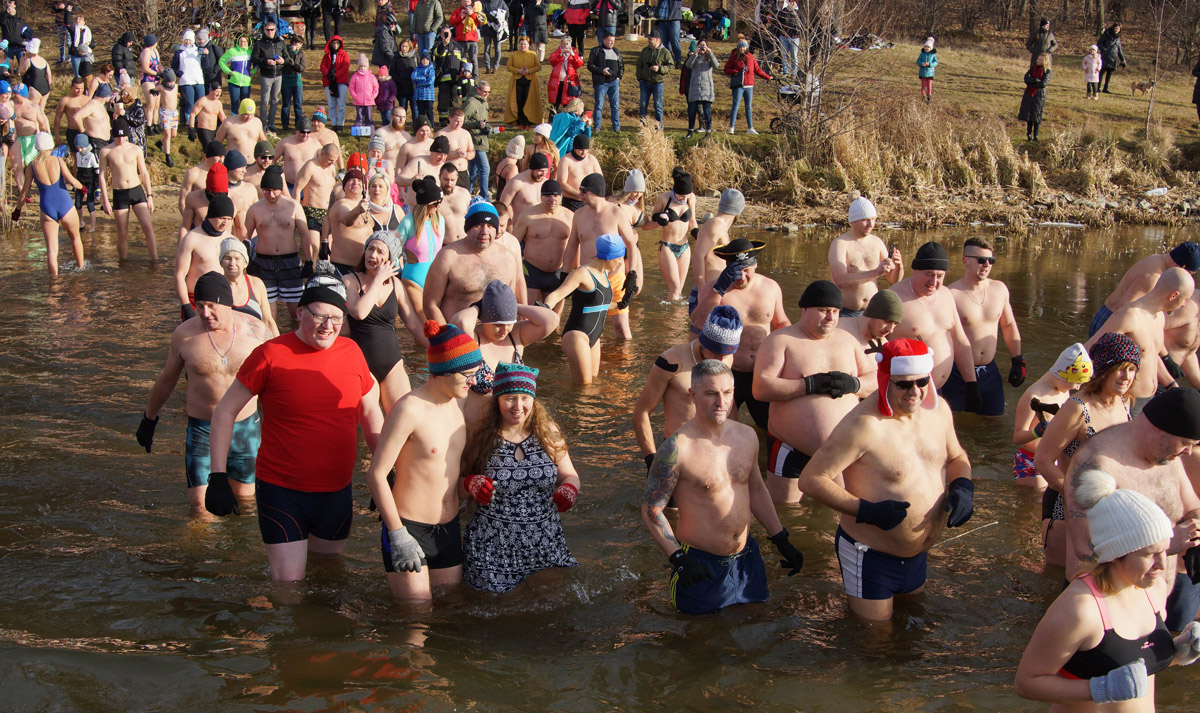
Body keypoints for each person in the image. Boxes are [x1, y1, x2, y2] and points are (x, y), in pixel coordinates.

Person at [207, 269, 385, 583]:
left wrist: (385, 471)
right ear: (300, 312)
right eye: (320, 316)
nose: (328, 326)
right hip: (282, 490)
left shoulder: (352, 352)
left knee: (328, 577)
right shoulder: (269, 354)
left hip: (336, 490)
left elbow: (370, 412)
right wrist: (218, 476)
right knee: (289, 586)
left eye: (336, 318)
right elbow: (225, 411)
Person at [799, 338, 974, 622]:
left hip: (917, 555)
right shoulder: (863, 425)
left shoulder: (938, 410)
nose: (914, 391)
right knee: (874, 638)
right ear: (885, 381)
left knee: (911, 625)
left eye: (922, 381)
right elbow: (811, 479)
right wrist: (866, 511)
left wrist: (963, 486)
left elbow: (956, 457)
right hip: (870, 554)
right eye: (904, 384)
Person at [1014, 468, 1199, 710]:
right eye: (1149, 554)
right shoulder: (1080, 608)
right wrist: (1101, 689)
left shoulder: (1155, 589)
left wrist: (1177, 652)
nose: (1162, 565)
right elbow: (1027, 683)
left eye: (1164, 551)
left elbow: (1131, 665)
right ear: (1115, 554)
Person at [641, 359, 804, 615]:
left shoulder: (747, 436)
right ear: (693, 395)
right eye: (711, 393)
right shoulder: (677, 448)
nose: (721, 402)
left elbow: (757, 490)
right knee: (702, 634)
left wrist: (781, 538)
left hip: (747, 558)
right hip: (700, 563)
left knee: (758, 623)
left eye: (727, 392)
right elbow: (652, 509)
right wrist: (678, 559)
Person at [1062, 387, 1200, 631]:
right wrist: (1167, 546)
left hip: (1154, 598)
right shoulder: (1096, 463)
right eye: (1186, 444)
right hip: (1110, 608)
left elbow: (1192, 507)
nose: (1188, 452)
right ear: (1160, 430)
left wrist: (1195, 533)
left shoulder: (1167, 456)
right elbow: (1086, 551)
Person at [364, 320, 482, 599]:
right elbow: (376, 474)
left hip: (448, 529)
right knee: (416, 617)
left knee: (449, 609)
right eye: (468, 374)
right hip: (408, 528)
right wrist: (397, 534)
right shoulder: (410, 409)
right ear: (444, 371)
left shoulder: (457, 405)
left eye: (476, 373)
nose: (474, 381)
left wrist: (470, 485)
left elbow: (445, 474)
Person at [138, 272, 271, 511]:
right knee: (200, 507)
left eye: (211, 306)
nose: (205, 313)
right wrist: (149, 419)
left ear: (228, 303)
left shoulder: (257, 332)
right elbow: (167, 380)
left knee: (245, 504)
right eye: (199, 306)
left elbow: (277, 381)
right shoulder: (185, 334)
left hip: (245, 430)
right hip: (202, 429)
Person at [460, 361, 581, 592]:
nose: (518, 406)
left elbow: (570, 475)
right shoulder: (481, 438)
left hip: (544, 541)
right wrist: (470, 484)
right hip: (492, 547)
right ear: (497, 400)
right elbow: (454, 487)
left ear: (533, 400)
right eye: (510, 398)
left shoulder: (548, 432)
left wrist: (569, 488)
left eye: (525, 398)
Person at [754, 279, 875, 505]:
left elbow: (875, 381)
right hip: (790, 447)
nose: (830, 317)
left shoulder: (848, 341)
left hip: (840, 449)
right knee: (786, 512)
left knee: (839, 511)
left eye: (835, 311)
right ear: (805, 309)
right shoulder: (780, 340)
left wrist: (854, 384)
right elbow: (761, 388)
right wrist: (808, 385)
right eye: (823, 310)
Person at [1036, 333, 1139, 569]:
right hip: (1067, 507)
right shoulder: (1077, 408)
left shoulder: (1124, 402)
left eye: (1132, 370)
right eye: (1120, 369)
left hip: (1108, 507)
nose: (1127, 377)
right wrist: (1077, 499)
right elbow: (1042, 460)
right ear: (1103, 369)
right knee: (1059, 579)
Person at [690, 238, 790, 430]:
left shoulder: (770, 287)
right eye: (735, 272)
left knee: (771, 428)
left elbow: (781, 323)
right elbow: (698, 322)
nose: (741, 277)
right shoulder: (713, 290)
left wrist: (791, 354)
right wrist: (719, 289)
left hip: (762, 371)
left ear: (755, 265)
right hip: (727, 371)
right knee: (726, 429)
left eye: (746, 270)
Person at [634, 306, 742, 470]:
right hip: (678, 451)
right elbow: (641, 412)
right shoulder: (671, 362)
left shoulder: (727, 359)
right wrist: (651, 460)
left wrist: (735, 443)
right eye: (715, 353)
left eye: (725, 355)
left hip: (715, 447)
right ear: (704, 341)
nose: (720, 361)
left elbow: (728, 403)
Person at [344, 230, 425, 413]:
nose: (373, 255)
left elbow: (413, 324)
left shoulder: (396, 285)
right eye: (370, 248)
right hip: (363, 366)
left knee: (403, 416)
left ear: (390, 259)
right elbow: (359, 312)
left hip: (393, 366)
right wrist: (378, 279)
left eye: (380, 251)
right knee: (371, 421)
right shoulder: (350, 281)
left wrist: (438, 349)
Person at [1085, 266, 1194, 402]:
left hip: (1150, 398)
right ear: (1173, 295)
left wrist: (1171, 385)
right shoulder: (1129, 316)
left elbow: (1150, 354)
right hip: (1126, 400)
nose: (1184, 304)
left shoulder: (1159, 316)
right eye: (1185, 299)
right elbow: (1086, 351)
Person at [944, 237, 1024, 416]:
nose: (987, 264)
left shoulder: (999, 289)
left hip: (989, 371)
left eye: (991, 260)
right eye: (981, 260)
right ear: (965, 261)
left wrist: (1018, 360)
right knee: (954, 423)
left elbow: (1009, 325)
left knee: (994, 423)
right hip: (957, 373)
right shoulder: (951, 294)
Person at [891, 242, 979, 399]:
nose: (933, 282)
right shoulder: (894, 298)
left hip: (939, 389)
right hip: (905, 392)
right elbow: (872, 341)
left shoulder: (946, 295)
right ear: (915, 270)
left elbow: (959, 340)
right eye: (929, 274)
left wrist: (971, 383)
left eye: (939, 276)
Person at [543, 233, 624, 384]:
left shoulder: (605, 273)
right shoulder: (582, 274)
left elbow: (599, 305)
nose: (620, 262)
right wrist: (546, 307)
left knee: (593, 384)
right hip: (577, 335)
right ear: (609, 257)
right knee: (584, 387)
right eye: (619, 257)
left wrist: (621, 304)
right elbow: (556, 295)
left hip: (594, 336)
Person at [424, 200, 524, 323]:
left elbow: (509, 304)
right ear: (467, 228)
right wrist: (448, 333)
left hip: (495, 333)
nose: (485, 232)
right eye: (478, 225)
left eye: (490, 226)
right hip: (457, 330)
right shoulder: (448, 257)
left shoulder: (508, 258)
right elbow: (430, 304)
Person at [1012, 343, 1092, 491]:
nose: (1077, 388)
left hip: (1054, 458)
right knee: (1036, 500)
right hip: (1031, 461)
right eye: (1077, 382)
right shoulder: (1033, 396)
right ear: (1064, 375)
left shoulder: (1063, 390)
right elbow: (1017, 437)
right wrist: (1036, 432)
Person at [1090, 242, 1200, 338]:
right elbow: (1125, 309)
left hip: (1106, 313)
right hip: (1111, 322)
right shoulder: (1153, 278)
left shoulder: (1155, 259)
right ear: (1180, 266)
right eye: (1189, 273)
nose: (1188, 276)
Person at [12, 131, 84, 275]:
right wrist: (83, 188)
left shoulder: (31, 166)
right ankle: (81, 271)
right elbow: (72, 181)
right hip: (65, 205)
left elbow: (24, 192)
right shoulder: (58, 161)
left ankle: (54, 283)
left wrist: (17, 211)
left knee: (51, 250)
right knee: (75, 238)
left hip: (47, 208)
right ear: (50, 145)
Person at [246, 165, 310, 320]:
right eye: (267, 190)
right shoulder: (254, 209)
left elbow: (305, 234)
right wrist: (247, 261)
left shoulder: (293, 206)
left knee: (297, 313)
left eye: (274, 190)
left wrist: (309, 260)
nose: (271, 194)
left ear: (280, 189)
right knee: (268, 315)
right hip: (263, 263)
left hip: (290, 262)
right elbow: (245, 238)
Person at [828, 196, 900, 317]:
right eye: (865, 220)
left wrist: (898, 267)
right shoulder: (840, 244)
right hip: (845, 312)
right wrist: (876, 272)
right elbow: (840, 280)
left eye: (873, 219)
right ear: (852, 221)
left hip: (871, 311)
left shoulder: (877, 242)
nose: (870, 224)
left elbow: (894, 280)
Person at [98, 118, 157, 263]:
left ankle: (155, 261)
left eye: (123, 136)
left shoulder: (135, 149)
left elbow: (144, 173)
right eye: (118, 137)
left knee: (148, 228)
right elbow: (102, 176)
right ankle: (123, 263)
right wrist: (105, 200)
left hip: (136, 191)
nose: (121, 140)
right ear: (113, 136)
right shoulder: (106, 151)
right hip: (119, 193)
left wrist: (149, 195)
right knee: (122, 233)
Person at [396, 176, 445, 317]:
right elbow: (393, 249)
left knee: (437, 320)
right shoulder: (408, 222)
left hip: (435, 278)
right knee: (423, 320)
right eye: (436, 203)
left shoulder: (440, 220)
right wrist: (398, 271)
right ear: (426, 203)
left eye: (440, 202)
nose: (439, 206)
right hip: (413, 278)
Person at [646, 168, 697, 301]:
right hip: (667, 246)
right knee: (674, 290)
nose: (683, 199)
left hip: (685, 247)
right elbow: (653, 218)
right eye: (680, 196)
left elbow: (692, 220)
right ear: (675, 191)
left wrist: (697, 233)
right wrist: (660, 219)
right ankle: (671, 314)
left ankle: (674, 313)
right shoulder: (663, 198)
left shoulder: (691, 198)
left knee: (678, 291)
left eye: (686, 196)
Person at [219, 238, 278, 335]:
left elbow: (267, 321)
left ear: (245, 263)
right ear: (221, 262)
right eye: (228, 258)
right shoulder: (216, 286)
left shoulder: (256, 284)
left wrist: (277, 343)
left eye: (237, 258)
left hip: (255, 339)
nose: (232, 263)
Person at [723, 38, 771, 134]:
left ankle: (750, 128)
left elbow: (757, 70)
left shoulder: (751, 57)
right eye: (740, 46)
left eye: (744, 46)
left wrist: (768, 77)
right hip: (738, 85)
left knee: (748, 107)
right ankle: (731, 127)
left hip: (749, 85)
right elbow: (726, 69)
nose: (742, 48)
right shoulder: (734, 56)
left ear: (747, 48)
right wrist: (735, 72)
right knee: (736, 106)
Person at [587, 32, 623, 132]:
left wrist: (619, 77)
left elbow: (621, 66)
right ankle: (597, 126)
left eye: (613, 41)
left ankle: (616, 127)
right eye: (610, 41)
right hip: (601, 82)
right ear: (604, 40)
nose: (612, 43)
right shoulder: (596, 51)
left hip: (614, 82)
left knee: (615, 105)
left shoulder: (616, 51)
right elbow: (590, 65)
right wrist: (601, 71)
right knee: (599, 105)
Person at [636, 33, 673, 130]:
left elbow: (671, 66)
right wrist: (639, 77)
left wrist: (659, 69)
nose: (648, 41)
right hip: (644, 82)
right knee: (643, 104)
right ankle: (643, 126)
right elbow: (639, 64)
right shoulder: (645, 50)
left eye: (650, 39)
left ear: (657, 39)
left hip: (658, 83)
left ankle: (658, 126)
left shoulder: (665, 52)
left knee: (657, 105)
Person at [504, 35, 542, 128]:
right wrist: (518, 71)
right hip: (517, 81)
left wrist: (529, 71)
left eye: (525, 44)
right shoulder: (514, 55)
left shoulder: (533, 54)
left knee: (528, 101)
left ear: (528, 45)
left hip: (530, 81)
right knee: (519, 101)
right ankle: (520, 121)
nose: (523, 46)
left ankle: (528, 121)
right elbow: (509, 67)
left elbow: (538, 67)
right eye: (521, 44)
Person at [461, 81, 491, 196]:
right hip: (474, 141)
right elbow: (462, 122)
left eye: (488, 92)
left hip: (482, 139)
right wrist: (477, 124)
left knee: (473, 172)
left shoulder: (484, 103)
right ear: (478, 90)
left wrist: (486, 127)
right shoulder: (471, 102)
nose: (486, 94)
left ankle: (466, 195)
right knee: (485, 169)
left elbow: (483, 120)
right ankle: (485, 197)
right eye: (484, 91)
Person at [684, 39, 718, 138]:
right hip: (695, 88)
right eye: (700, 45)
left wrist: (710, 53)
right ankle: (690, 131)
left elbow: (716, 65)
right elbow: (688, 65)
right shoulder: (695, 57)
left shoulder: (709, 58)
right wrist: (695, 54)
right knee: (692, 111)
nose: (702, 48)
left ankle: (708, 131)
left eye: (704, 45)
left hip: (707, 88)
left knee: (707, 111)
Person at [556, 133, 599, 211]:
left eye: (586, 150)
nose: (584, 152)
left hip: (590, 201)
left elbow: (599, 179)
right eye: (581, 150)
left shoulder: (592, 159)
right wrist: (579, 194)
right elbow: (562, 183)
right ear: (575, 148)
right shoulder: (565, 160)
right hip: (572, 202)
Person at [172, 30, 205, 124]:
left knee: (200, 102)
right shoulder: (179, 52)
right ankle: (190, 123)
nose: (188, 42)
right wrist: (180, 74)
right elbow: (174, 67)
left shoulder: (198, 51)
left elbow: (204, 64)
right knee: (189, 103)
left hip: (198, 80)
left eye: (189, 40)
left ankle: (200, 121)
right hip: (186, 81)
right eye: (186, 40)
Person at [432, 27, 462, 125]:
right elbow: (436, 53)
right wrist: (443, 44)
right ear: (441, 34)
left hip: (455, 78)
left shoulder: (457, 46)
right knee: (443, 99)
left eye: (447, 33)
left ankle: (453, 119)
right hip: (443, 78)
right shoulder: (438, 45)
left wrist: (463, 71)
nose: (446, 35)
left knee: (454, 99)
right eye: (444, 33)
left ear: (451, 34)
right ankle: (443, 120)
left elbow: (463, 59)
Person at [320, 35, 350, 132]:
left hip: (341, 81)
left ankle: (340, 124)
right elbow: (322, 66)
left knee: (341, 104)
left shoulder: (344, 55)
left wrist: (335, 75)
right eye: (333, 43)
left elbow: (345, 67)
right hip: (329, 82)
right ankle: (333, 124)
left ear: (340, 44)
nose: (335, 45)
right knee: (331, 104)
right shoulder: (326, 56)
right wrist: (328, 74)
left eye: (337, 43)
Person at [1020, 52, 1051, 143]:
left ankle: (1036, 136)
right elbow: (1026, 78)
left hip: (1039, 95)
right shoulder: (1032, 68)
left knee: (1036, 115)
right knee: (1029, 115)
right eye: (1038, 59)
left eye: (1040, 60)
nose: (1038, 61)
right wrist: (1035, 80)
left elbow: (1043, 83)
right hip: (1029, 94)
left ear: (1044, 61)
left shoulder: (1047, 71)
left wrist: (1032, 83)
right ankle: (1029, 135)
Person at [546, 36, 582, 113]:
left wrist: (573, 55)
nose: (566, 45)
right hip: (557, 81)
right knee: (555, 103)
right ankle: (552, 118)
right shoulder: (557, 52)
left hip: (569, 82)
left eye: (567, 43)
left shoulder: (574, 53)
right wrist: (560, 55)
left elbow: (579, 64)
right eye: (564, 43)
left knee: (568, 104)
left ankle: (566, 118)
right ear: (561, 44)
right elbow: (552, 61)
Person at [188, 83, 225, 148]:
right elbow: (193, 114)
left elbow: (222, 117)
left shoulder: (218, 103)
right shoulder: (203, 101)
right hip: (204, 130)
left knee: (212, 151)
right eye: (216, 92)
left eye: (220, 92)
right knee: (210, 149)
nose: (218, 94)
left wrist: (230, 127)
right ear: (211, 91)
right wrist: (191, 128)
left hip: (214, 131)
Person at [450, 0, 484, 70]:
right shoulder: (457, 11)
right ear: (461, 2)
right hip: (460, 40)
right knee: (459, 59)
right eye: (464, 1)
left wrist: (472, 14)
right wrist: (461, 17)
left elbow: (480, 22)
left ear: (471, 2)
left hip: (472, 40)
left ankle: (474, 75)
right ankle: (460, 74)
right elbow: (451, 22)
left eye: (468, 1)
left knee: (473, 60)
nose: (466, 3)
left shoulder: (475, 11)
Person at [19, 38, 51, 110]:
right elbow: (49, 75)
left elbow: (20, 73)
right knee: (41, 111)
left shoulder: (28, 60)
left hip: (35, 87)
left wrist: (22, 60)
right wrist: (49, 86)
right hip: (46, 87)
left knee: (32, 110)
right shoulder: (44, 60)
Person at [349, 53, 379, 127]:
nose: (362, 68)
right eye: (361, 66)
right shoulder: (355, 76)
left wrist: (372, 96)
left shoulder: (371, 76)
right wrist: (355, 96)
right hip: (358, 101)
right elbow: (351, 87)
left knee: (368, 117)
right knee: (359, 117)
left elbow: (376, 87)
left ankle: (370, 131)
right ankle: (358, 131)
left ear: (367, 67)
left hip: (369, 101)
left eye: (364, 66)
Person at [1096, 22, 1126, 94]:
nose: (1117, 30)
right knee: (1102, 72)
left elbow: (1119, 49)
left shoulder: (1118, 38)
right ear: (1113, 28)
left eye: (1118, 29)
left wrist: (1122, 59)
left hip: (1113, 57)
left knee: (1109, 73)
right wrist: (1104, 50)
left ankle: (1106, 88)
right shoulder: (1107, 34)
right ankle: (1098, 87)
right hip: (1105, 56)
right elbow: (1099, 43)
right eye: (1116, 28)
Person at [493, 135, 524, 202]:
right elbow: (511, 190)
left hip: (499, 199)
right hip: (506, 202)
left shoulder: (502, 163)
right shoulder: (512, 168)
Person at [655, 0, 683, 65]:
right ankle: (668, 59)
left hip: (674, 19)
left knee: (675, 41)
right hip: (662, 19)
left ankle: (678, 60)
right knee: (664, 42)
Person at [68, 13, 92, 79]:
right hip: (76, 53)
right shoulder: (74, 29)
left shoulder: (88, 30)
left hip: (86, 54)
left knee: (86, 74)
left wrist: (89, 43)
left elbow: (93, 44)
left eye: (80, 19)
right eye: (77, 19)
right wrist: (68, 12)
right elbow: (67, 23)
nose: (78, 21)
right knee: (77, 74)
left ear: (84, 22)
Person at [917, 37, 937, 102]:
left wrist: (930, 64)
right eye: (925, 46)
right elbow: (918, 61)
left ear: (930, 48)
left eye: (928, 47)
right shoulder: (922, 54)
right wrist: (922, 64)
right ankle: (923, 96)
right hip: (923, 72)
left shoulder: (933, 55)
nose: (926, 48)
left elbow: (936, 62)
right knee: (923, 85)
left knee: (929, 85)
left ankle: (929, 96)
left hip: (930, 73)